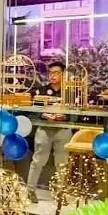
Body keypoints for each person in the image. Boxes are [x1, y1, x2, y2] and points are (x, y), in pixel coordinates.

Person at [27, 60, 71, 193]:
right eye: (50, 73)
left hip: (63, 130)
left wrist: (65, 116)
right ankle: (30, 191)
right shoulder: (41, 91)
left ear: (63, 75)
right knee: (37, 161)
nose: (52, 76)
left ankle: (60, 194)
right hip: (44, 129)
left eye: (56, 73)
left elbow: (77, 112)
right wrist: (43, 115)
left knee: (62, 163)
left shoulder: (70, 92)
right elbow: (33, 111)